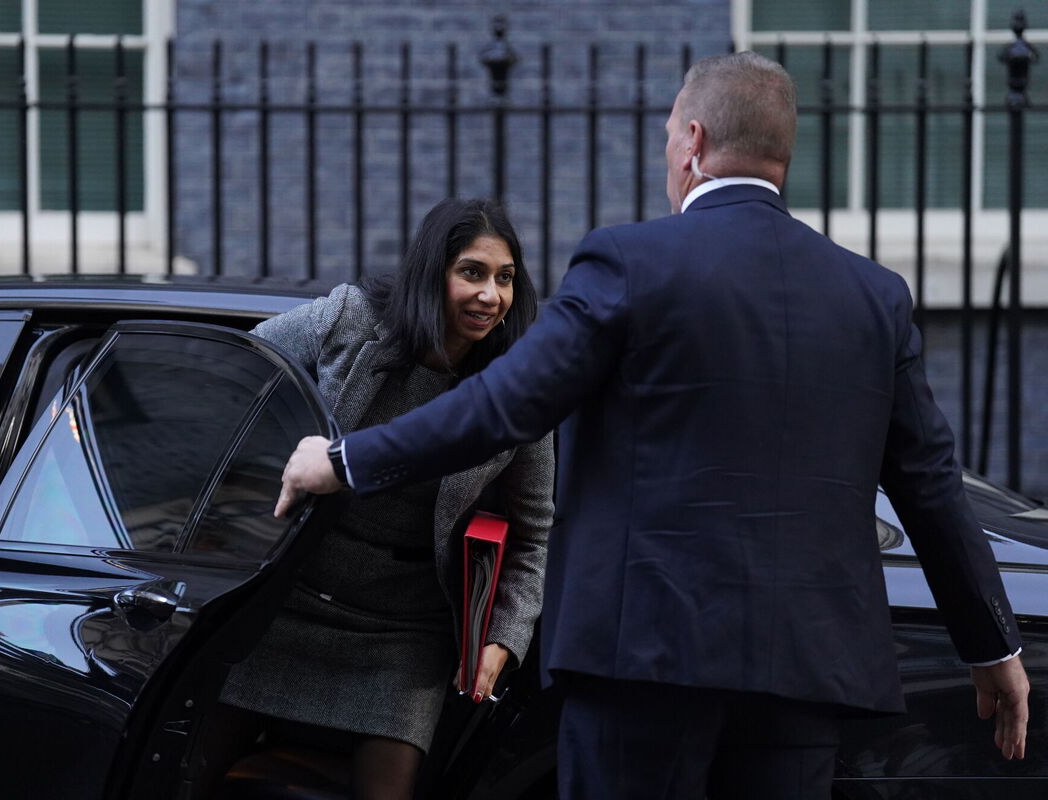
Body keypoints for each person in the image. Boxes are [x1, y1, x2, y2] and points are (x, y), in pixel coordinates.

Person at [272, 52, 1030, 799]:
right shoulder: (874, 295)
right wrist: (991, 644)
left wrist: (346, 459)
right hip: (804, 669)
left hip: (645, 658)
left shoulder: (631, 260)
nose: (669, 156)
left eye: (670, 137)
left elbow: (506, 402)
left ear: (694, 143)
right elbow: (931, 487)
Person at [216, 198, 554, 800]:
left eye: (505, 278)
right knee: (189, 765)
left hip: (405, 632)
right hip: (285, 603)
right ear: (432, 272)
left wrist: (504, 637)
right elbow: (237, 376)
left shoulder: (516, 385)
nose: (491, 295)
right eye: (472, 272)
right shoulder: (349, 321)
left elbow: (533, 531)